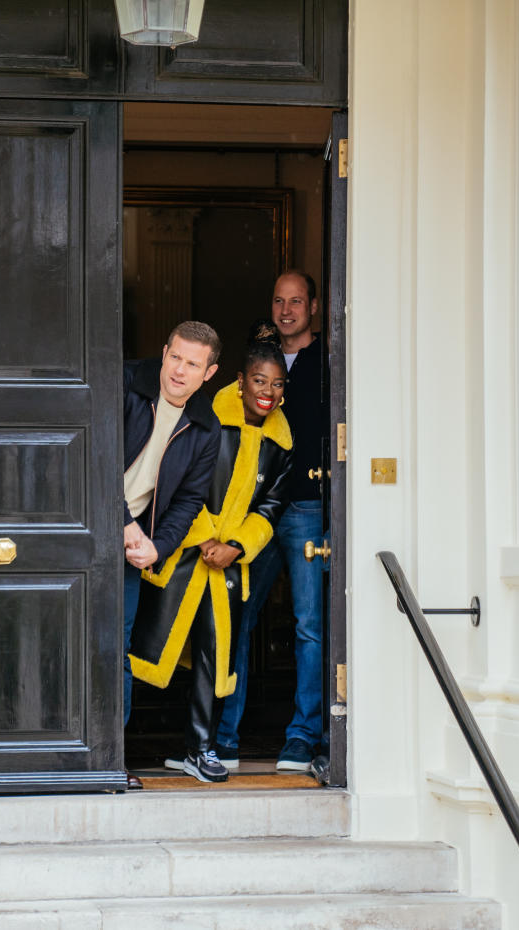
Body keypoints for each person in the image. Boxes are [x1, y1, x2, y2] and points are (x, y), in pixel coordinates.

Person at [130, 328, 292, 782]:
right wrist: (202, 537)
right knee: (144, 645)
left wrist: (237, 546)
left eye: (277, 385)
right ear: (239, 380)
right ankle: (119, 747)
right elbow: (180, 480)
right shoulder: (205, 417)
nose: (268, 393)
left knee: (212, 653)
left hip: (226, 566)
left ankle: (199, 748)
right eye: (260, 381)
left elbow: (271, 506)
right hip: (179, 552)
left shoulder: (282, 444)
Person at [215, 270, 330, 774]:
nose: (287, 310)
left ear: (314, 306)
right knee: (237, 620)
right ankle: (222, 739)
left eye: (297, 301)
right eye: (279, 301)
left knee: (309, 626)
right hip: (251, 514)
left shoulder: (331, 359)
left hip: (306, 507)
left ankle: (303, 737)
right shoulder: (251, 364)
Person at [122, 321, 223, 785]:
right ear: (163, 353)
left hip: (132, 545)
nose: (180, 371)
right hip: (87, 527)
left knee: (114, 648)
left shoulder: (205, 426)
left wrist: (157, 546)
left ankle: (107, 756)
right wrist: (124, 523)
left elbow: (188, 501)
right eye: (176, 357)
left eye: (193, 364)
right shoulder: (123, 384)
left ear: (210, 373)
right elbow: (93, 458)